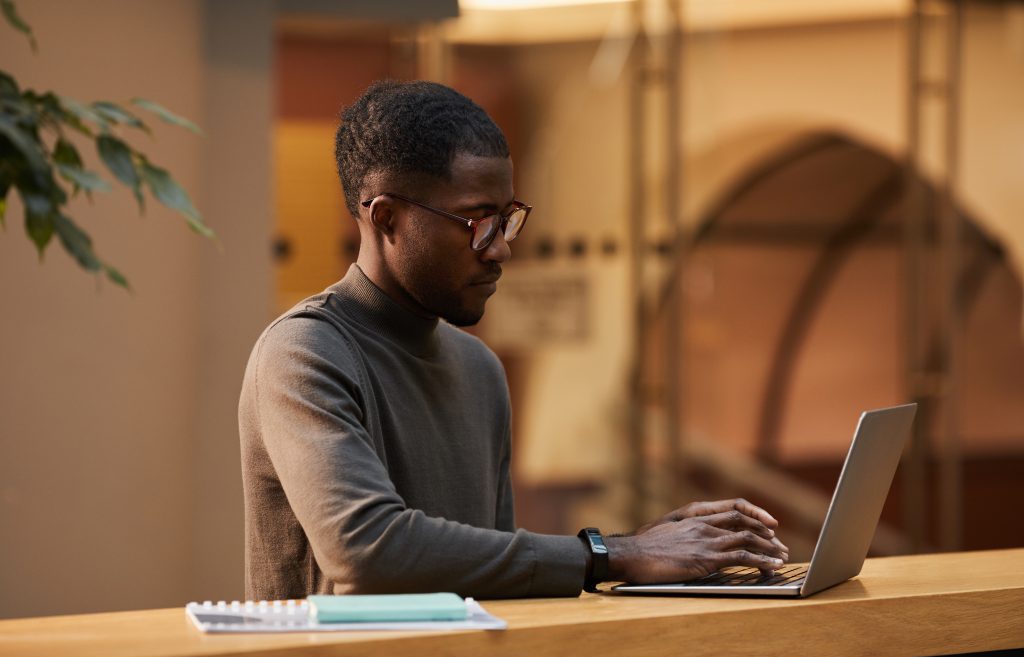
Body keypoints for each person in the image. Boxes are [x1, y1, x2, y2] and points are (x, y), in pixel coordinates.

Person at [239, 80, 788, 601]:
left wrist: (650, 554)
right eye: (477, 222)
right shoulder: (304, 354)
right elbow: (367, 552)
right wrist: (614, 553)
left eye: (508, 220)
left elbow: (491, 573)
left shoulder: (478, 367)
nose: (500, 249)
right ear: (387, 219)